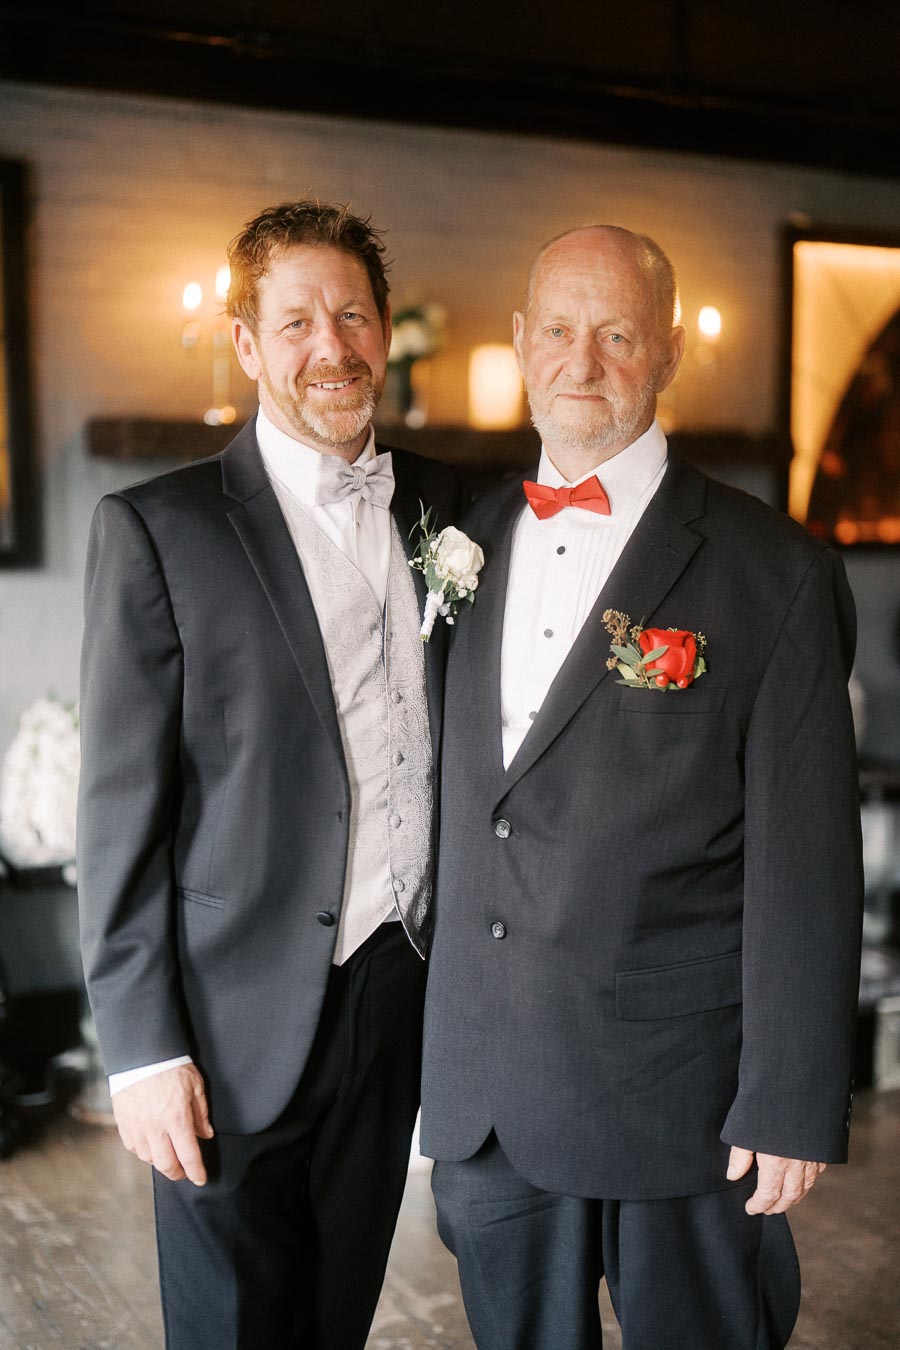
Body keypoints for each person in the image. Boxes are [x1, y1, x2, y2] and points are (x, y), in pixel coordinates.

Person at [419, 225, 863, 1349]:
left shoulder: (777, 572)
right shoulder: (462, 540)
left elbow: (809, 860)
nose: (583, 362)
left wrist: (792, 1096)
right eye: (559, 331)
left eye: (617, 335)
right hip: (489, 1092)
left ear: (668, 352)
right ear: (521, 341)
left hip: (683, 1096)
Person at [77, 199, 463, 1350]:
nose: (330, 346)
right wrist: (143, 1049)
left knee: (338, 1317)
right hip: (227, 1017)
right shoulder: (159, 529)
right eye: (295, 322)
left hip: (399, 993)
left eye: (352, 316)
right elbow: (118, 816)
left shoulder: (457, 506)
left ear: (385, 331)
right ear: (246, 344)